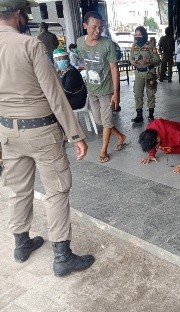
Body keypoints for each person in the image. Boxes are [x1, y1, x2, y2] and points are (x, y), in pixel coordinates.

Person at [0, 0, 94, 277]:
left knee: (18, 189)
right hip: (41, 132)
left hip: (7, 131)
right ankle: (62, 257)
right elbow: (54, 93)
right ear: (18, 14)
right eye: (25, 14)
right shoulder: (30, 46)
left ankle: (21, 244)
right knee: (56, 191)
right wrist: (75, 134)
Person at [76, 11, 127, 163]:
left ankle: (103, 150)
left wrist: (116, 92)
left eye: (100, 27)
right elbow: (85, 62)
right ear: (85, 26)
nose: (98, 31)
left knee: (106, 121)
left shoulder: (107, 44)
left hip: (106, 90)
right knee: (101, 121)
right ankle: (120, 136)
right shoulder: (79, 42)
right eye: (94, 27)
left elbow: (113, 68)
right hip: (92, 89)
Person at [129, 26, 161, 123]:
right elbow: (131, 57)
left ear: (144, 35)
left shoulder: (150, 46)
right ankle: (139, 115)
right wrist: (132, 62)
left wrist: (148, 60)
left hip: (149, 73)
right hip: (138, 72)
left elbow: (158, 60)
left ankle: (151, 115)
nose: (138, 36)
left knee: (150, 94)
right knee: (137, 94)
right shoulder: (134, 46)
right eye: (136, 35)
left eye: (140, 35)